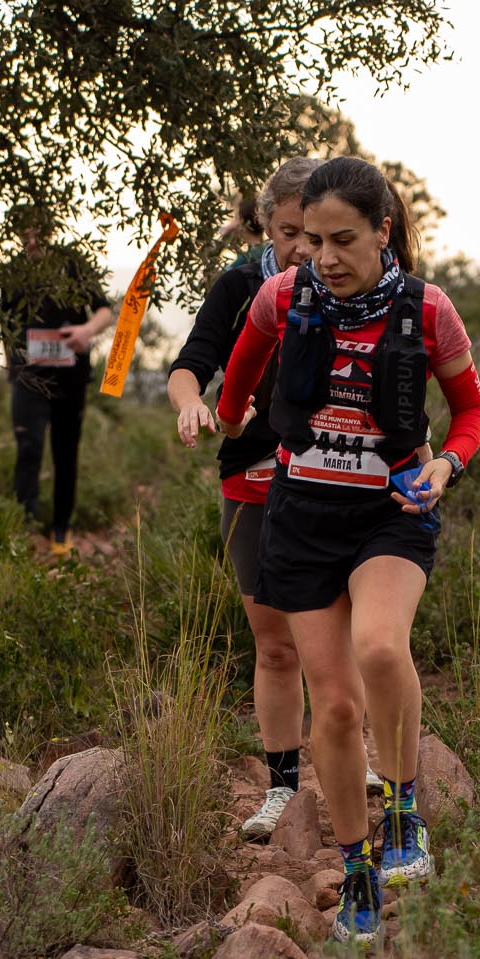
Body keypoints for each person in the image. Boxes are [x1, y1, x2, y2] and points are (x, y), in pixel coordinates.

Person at [215, 155, 480, 946]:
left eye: (342, 240)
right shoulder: (279, 296)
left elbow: (470, 412)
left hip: (389, 514)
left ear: (383, 232)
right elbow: (235, 392)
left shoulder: (427, 309)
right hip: (301, 516)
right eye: (312, 241)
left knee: (378, 646)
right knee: (332, 707)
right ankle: (356, 864)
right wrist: (228, 422)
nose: (323, 258)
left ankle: (402, 812)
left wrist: (446, 464)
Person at [167, 159, 315, 841]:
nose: (302, 248)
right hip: (250, 470)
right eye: (288, 233)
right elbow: (189, 365)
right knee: (274, 643)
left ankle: (362, 762)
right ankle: (282, 787)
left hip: (335, 470)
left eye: (314, 233)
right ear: (266, 227)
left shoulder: (351, 278)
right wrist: (192, 404)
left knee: (344, 634)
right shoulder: (239, 284)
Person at [0, 207, 113, 556]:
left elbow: (105, 310)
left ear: (49, 231)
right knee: (28, 447)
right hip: (28, 377)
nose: (32, 241)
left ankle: (61, 529)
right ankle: (24, 526)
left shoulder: (73, 263)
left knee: (66, 453)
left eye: (37, 233)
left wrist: (86, 331)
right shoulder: (12, 272)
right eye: (26, 234)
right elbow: (6, 323)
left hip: (70, 377)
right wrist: (11, 368)